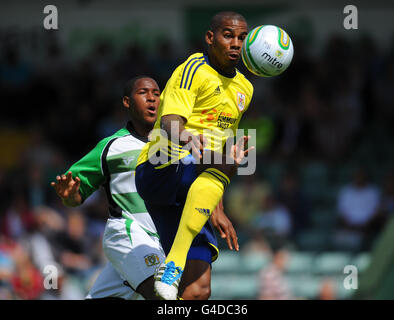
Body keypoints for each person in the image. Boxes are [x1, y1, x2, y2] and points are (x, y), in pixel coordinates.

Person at [51, 76, 238, 300]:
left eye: (157, 94)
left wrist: (217, 208)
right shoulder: (110, 147)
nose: (152, 99)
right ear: (127, 102)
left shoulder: (181, 144)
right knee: (164, 295)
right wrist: (70, 196)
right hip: (128, 233)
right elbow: (75, 194)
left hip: (163, 241)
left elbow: (201, 180)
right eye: (143, 93)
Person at [135, 11, 254, 299]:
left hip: (196, 184)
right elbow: (169, 121)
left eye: (241, 37)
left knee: (198, 291)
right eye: (228, 35)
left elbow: (222, 147)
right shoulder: (193, 69)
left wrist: (218, 207)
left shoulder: (245, 89)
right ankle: (173, 264)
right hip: (161, 164)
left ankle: (173, 270)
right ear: (210, 38)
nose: (236, 43)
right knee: (226, 162)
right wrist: (186, 136)